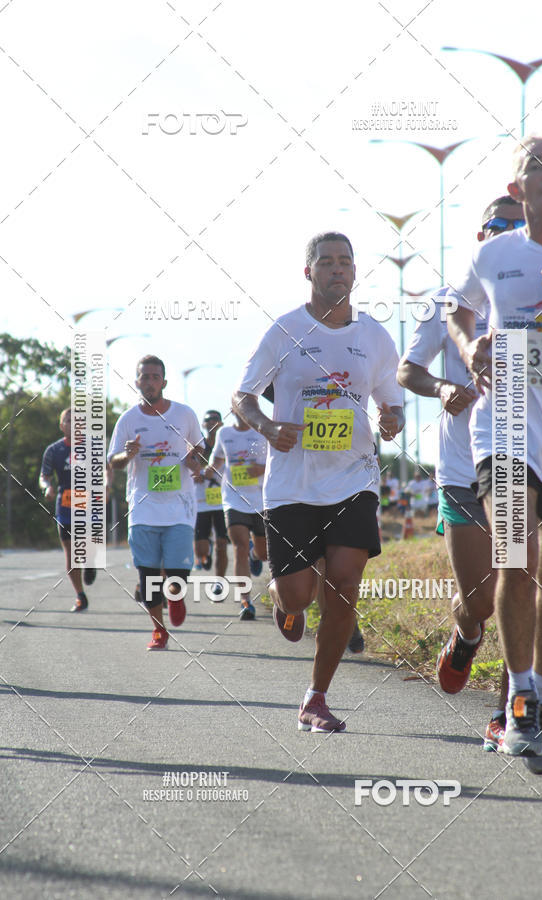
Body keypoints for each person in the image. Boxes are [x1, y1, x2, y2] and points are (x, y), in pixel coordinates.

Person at [448, 132, 542, 773]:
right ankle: (518, 697)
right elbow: (458, 313)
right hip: (504, 424)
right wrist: (469, 348)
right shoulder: (494, 254)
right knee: (516, 556)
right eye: (535, 163)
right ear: (516, 188)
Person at [232, 231, 404, 732]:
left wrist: (392, 418)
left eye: (344, 262)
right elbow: (242, 397)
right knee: (298, 596)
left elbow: (391, 399)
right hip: (292, 486)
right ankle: (285, 604)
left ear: (354, 272)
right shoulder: (285, 332)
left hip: (354, 481)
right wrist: (267, 427)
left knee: (346, 583)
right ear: (308, 272)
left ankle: (316, 698)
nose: (336, 270)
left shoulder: (373, 336)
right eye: (326, 262)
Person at [397, 195, 524, 751]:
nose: (505, 233)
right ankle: (466, 634)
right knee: (481, 599)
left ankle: (510, 712)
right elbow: (408, 370)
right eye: (495, 225)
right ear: (479, 236)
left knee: (520, 581)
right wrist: (443, 387)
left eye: (515, 225)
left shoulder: (541, 298)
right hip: (458, 468)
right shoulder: (447, 302)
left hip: (523, 462)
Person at [107, 355, 203, 649]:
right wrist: (128, 454)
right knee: (147, 575)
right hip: (143, 508)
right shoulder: (128, 419)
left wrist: (194, 460)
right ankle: (159, 630)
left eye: (154, 377)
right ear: (136, 382)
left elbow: (199, 454)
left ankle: (176, 595)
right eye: (144, 377)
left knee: (177, 574)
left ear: (164, 382)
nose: (149, 382)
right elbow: (114, 462)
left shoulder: (184, 415)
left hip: (180, 507)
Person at [205, 413, 268, 620]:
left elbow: (275, 464)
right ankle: (246, 601)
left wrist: (261, 469)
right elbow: (217, 460)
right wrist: (206, 470)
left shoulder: (261, 433)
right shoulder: (225, 433)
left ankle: (255, 555)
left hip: (260, 501)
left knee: (264, 552)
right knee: (240, 546)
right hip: (233, 500)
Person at [40, 408, 96, 612]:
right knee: (71, 554)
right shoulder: (53, 450)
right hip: (65, 505)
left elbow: (105, 471)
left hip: (89, 503)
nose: (73, 424)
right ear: (61, 425)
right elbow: (44, 475)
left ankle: (90, 562)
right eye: (69, 420)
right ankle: (80, 596)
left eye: (77, 421)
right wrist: (47, 487)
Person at [193, 410, 229, 597]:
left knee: (222, 543)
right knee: (200, 550)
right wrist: (196, 473)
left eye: (215, 419)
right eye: (208, 420)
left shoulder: (227, 442)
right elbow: (188, 465)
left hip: (222, 501)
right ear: (204, 424)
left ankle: (219, 582)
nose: (212, 422)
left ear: (221, 423)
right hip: (201, 502)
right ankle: (205, 555)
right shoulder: (199, 446)